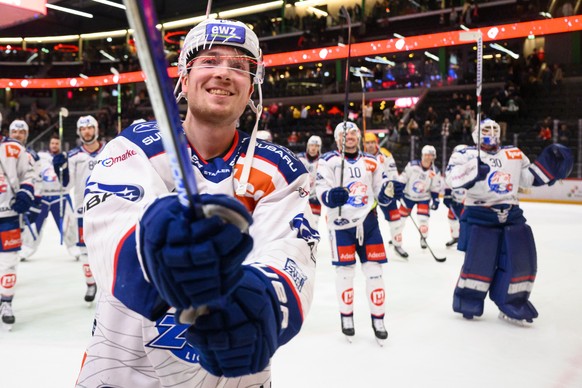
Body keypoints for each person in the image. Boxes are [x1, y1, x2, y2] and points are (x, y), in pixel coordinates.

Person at [76, 18, 318, 387]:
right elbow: (109, 234)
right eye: (209, 61)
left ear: (252, 85)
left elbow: (292, 254)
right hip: (124, 369)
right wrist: (159, 252)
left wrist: (262, 306)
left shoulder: (282, 170)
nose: (224, 73)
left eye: (239, 66)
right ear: (184, 78)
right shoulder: (134, 147)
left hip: (233, 376)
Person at [445, 119, 573, 325]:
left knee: (522, 258)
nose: (490, 135)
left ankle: (513, 301)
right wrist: (471, 170)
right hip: (481, 212)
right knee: (480, 262)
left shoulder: (513, 153)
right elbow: (451, 179)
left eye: (493, 130)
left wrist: (549, 167)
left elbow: (528, 178)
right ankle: (468, 299)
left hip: (511, 212)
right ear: (476, 134)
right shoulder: (465, 153)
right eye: (485, 130)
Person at [316, 121, 397, 344]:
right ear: (337, 137)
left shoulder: (372, 161)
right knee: (345, 272)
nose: (349, 136)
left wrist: (389, 193)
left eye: (353, 132)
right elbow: (321, 187)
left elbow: (382, 190)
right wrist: (330, 197)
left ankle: (378, 319)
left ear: (359, 136)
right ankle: (347, 317)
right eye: (344, 133)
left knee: (374, 272)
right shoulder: (329, 160)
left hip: (368, 223)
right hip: (341, 225)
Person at [53, 115, 105, 302]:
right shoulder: (73, 155)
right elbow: (66, 186)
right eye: (83, 129)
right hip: (84, 212)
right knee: (85, 250)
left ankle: (109, 285)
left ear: (96, 129)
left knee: (110, 246)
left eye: (89, 127)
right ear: (78, 132)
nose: (87, 131)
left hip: (109, 209)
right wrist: (61, 169)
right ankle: (90, 283)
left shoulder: (109, 150)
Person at [20, 134, 78, 261]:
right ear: (49, 144)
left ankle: (74, 247)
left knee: (67, 224)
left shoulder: (65, 157)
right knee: (36, 224)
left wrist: (63, 166)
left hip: (59, 196)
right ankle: (26, 248)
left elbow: (68, 179)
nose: (54, 146)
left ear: (60, 145)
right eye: (52, 143)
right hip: (44, 196)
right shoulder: (41, 157)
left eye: (57, 143)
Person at [0, 127, 35, 328]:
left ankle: (6, 302)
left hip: (9, 215)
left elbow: (29, 175)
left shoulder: (14, 148)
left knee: (8, 261)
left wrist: (25, 194)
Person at [362, 132, 408, 258]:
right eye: (367, 143)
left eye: (372, 142)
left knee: (395, 219)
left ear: (376, 142)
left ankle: (397, 244)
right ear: (363, 144)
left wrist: (394, 188)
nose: (370, 145)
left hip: (384, 192)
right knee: (364, 222)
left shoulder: (385, 154)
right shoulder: (359, 156)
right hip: (366, 194)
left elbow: (393, 173)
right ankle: (362, 245)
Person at [7, 120, 43, 262]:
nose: (17, 135)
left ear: (26, 135)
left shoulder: (32, 155)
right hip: (3, 198)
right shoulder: (2, 150)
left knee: (14, 233)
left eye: (21, 132)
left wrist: (35, 203)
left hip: (22, 200)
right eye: (14, 132)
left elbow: (37, 179)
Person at [397, 145, 443, 249]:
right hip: (408, 197)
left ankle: (423, 238)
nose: (428, 157)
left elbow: (435, 187)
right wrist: (398, 190)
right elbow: (403, 178)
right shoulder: (412, 166)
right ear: (422, 155)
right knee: (400, 220)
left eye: (430, 155)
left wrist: (436, 200)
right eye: (426, 155)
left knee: (423, 220)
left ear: (433, 157)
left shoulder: (435, 171)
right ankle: (396, 236)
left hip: (424, 199)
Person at [443, 144, 467, 247]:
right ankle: (456, 237)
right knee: (451, 219)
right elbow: (448, 181)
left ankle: (466, 240)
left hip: (467, 200)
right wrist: (447, 196)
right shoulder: (452, 166)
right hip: (455, 198)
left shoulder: (473, 166)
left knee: (465, 221)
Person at [296, 135, 322, 221]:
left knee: (314, 223)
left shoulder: (323, 161)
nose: (313, 148)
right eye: (311, 145)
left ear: (319, 147)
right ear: (308, 146)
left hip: (315, 197)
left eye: (316, 146)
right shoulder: (299, 158)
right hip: (300, 196)